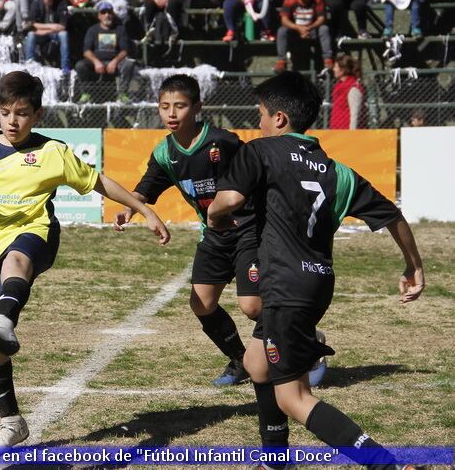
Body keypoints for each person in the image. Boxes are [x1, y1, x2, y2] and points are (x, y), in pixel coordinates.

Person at [0, 71, 170, 447]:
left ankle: (5, 319)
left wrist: (144, 210)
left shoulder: (52, 152)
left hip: (37, 234)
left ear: (37, 114)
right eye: (5, 112)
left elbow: (98, 182)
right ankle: (12, 423)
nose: (12, 121)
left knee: (16, 260)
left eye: (21, 113)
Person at [208, 71, 424, 469]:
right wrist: (414, 265)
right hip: (316, 282)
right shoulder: (338, 171)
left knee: (294, 397)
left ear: (279, 119)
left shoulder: (262, 151)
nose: (258, 123)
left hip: (284, 285)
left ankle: (389, 464)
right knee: (257, 363)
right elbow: (393, 216)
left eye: (260, 115)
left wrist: (215, 216)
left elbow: (227, 200)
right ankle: (274, 460)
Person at [114, 74, 257, 386]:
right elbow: (145, 189)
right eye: (165, 107)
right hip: (214, 234)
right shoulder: (165, 153)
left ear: (197, 108)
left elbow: (256, 175)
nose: (171, 114)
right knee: (201, 304)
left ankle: (304, 345)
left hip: (250, 230)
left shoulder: (224, 142)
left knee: (252, 306)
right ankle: (240, 361)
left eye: (180, 106)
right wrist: (129, 208)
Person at [75, 1, 135, 104]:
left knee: (130, 64)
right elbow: (86, 51)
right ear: (99, 16)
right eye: (103, 12)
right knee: (80, 65)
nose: (107, 15)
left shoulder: (120, 29)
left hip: (115, 64)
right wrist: (96, 62)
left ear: (113, 14)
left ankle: (123, 94)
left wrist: (115, 62)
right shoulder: (92, 30)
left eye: (109, 12)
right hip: (97, 64)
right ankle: (86, 94)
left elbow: (125, 51)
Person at [274, 0, 332, 73]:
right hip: (295, 31)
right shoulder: (289, 1)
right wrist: (298, 28)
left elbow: (321, 18)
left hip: (312, 30)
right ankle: (281, 61)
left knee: (324, 29)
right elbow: (284, 20)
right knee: (282, 31)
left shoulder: (317, 0)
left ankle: (327, 59)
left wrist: (309, 28)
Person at [24, 0, 70, 75]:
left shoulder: (61, 3)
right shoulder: (37, 3)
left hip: (54, 33)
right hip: (42, 33)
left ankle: (65, 67)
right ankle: (29, 65)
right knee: (31, 34)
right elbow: (32, 23)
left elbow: (63, 26)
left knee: (64, 34)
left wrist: (46, 31)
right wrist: (52, 27)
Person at [329, 54, 364, 129]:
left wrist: (351, 136)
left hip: (346, 134)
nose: (333, 69)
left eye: (336, 67)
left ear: (343, 70)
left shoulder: (353, 89)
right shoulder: (339, 87)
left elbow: (355, 114)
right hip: (336, 132)